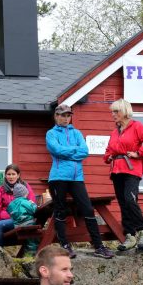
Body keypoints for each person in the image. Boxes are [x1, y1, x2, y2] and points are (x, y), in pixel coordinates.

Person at [47, 104, 115, 259]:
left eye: (68, 115)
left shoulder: (77, 133)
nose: (66, 118)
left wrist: (67, 152)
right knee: (60, 210)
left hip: (77, 178)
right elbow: (56, 150)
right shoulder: (51, 134)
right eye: (63, 115)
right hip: (58, 177)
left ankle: (98, 246)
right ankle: (65, 246)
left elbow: (84, 151)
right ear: (56, 116)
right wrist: (74, 150)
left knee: (88, 209)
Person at [103, 99, 143, 252]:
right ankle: (130, 236)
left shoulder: (137, 127)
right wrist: (108, 157)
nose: (113, 114)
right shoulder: (115, 132)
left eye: (116, 111)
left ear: (125, 112)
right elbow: (108, 151)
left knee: (130, 199)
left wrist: (139, 153)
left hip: (132, 169)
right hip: (116, 171)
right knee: (123, 203)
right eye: (112, 112)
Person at [0, 163, 36, 246]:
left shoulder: (25, 187)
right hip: (3, 219)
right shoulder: (0, 190)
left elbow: (31, 202)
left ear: (18, 175)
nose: (11, 177)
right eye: (9, 174)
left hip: (19, 218)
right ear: (5, 175)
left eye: (13, 174)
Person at [7, 183, 39, 254]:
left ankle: (27, 252)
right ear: (24, 193)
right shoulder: (25, 202)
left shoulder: (11, 204)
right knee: (33, 238)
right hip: (28, 223)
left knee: (27, 240)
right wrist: (33, 204)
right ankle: (33, 253)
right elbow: (34, 210)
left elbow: (10, 212)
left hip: (17, 225)